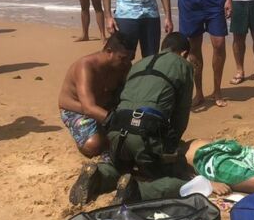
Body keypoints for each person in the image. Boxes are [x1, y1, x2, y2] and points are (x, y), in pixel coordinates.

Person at [68, 32, 195, 205]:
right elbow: (181, 116)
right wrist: (170, 148)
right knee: (180, 179)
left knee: (120, 166)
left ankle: (99, 175)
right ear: (184, 54)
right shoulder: (183, 65)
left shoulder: (140, 63)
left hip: (115, 131)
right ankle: (138, 192)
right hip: (144, 134)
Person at [58, 32, 137, 159]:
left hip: (106, 107)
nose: (126, 62)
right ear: (109, 51)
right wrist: (119, 122)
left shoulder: (124, 65)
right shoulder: (86, 67)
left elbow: (130, 94)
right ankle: (84, 137)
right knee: (94, 146)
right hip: (77, 110)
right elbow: (89, 108)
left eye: (129, 58)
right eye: (122, 58)